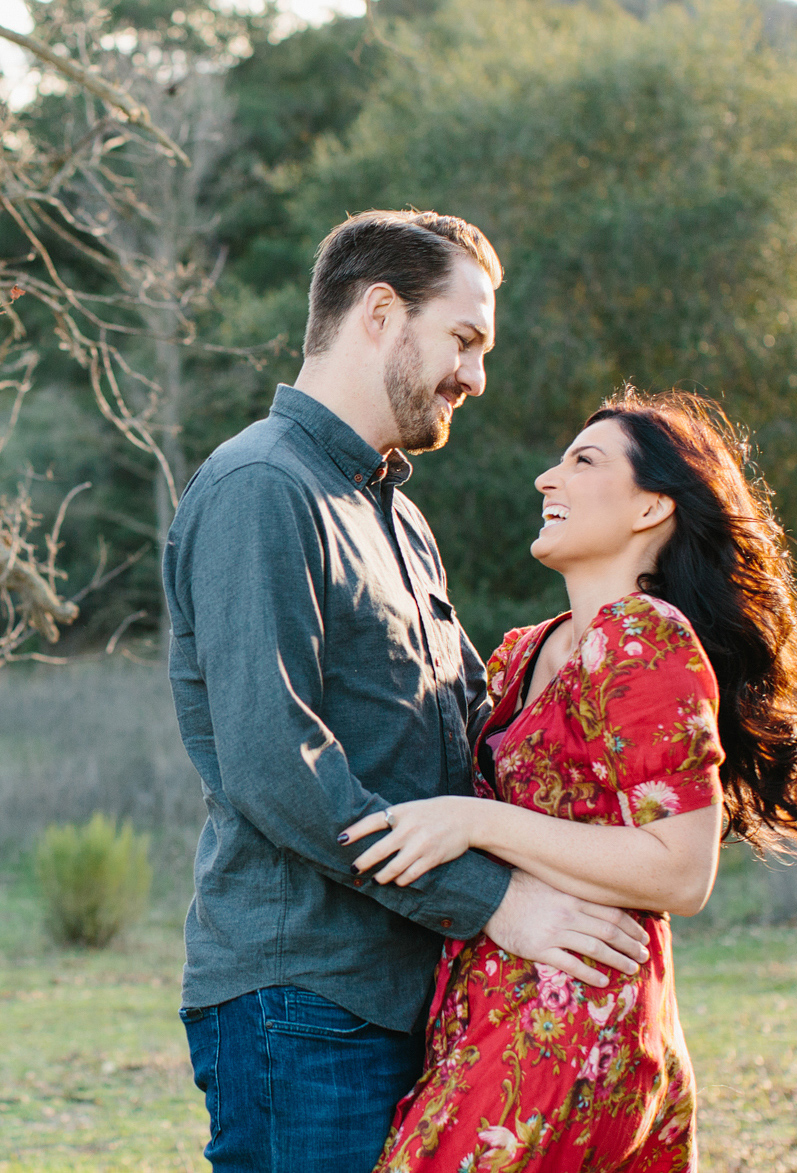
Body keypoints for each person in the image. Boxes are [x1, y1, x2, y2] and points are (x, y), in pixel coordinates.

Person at [164, 210, 652, 1173]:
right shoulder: (261, 487)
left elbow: (468, 735)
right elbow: (276, 763)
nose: (475, 377)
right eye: (463, 340)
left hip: (412, 993)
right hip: (302, 1003)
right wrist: (493, 901)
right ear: (380, 312)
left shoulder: (400, 518)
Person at [349, 390, 797, 1172]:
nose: (546, 480)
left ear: (652, 506)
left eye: (583, 461)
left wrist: (472, 822)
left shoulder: (645, 635)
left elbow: (683, 871)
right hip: (500, 997)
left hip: (578, 1008)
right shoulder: (523, 651)